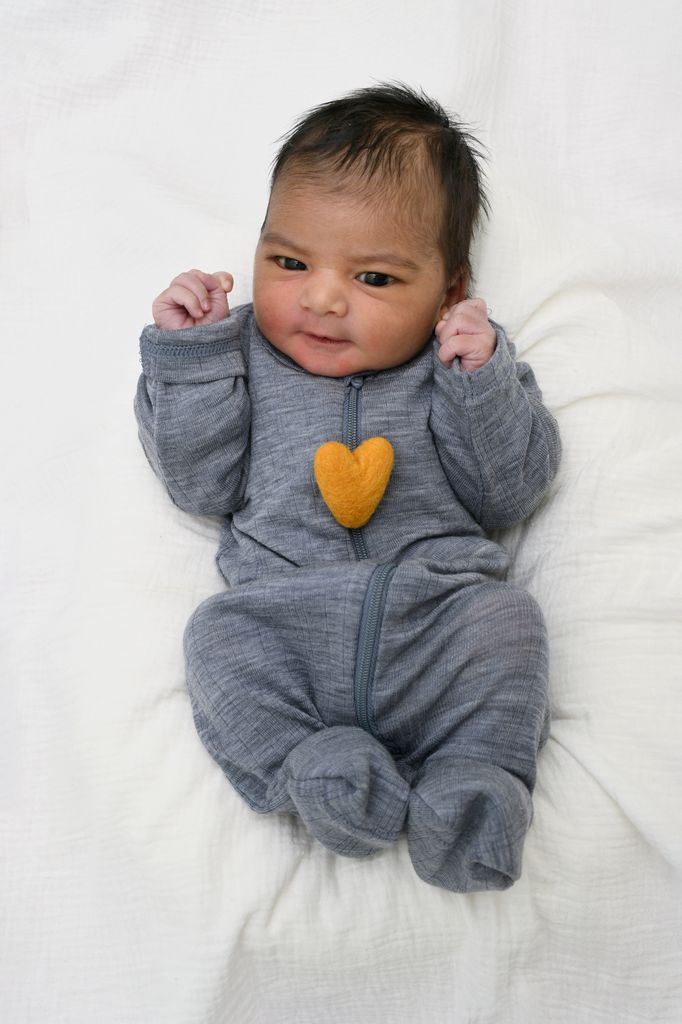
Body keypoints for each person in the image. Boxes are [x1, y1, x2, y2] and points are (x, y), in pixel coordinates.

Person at [134, 83, 561, 893]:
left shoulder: (459, 364)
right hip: (284, 622)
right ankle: (319, 769)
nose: (322, 298)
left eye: (373, 277)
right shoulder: (234, 356)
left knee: (510, 624)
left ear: (449, 290)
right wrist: (191, 359)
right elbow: (198, 483)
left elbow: (511, 492)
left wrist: (480, 383)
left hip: (437, 621)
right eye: (289, 262)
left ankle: (475, 784)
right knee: (215, 638)